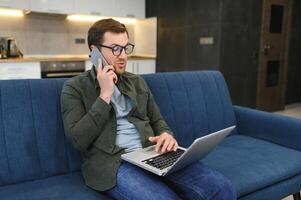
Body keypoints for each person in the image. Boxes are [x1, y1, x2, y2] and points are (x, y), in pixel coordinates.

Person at [61, 18, 236, 200]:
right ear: (94, 50)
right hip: (114, 164)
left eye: (125, 47)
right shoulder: (74, 88)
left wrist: (166, 135)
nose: (123, 56)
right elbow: (77, 140)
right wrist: (105, 95)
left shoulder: (136, 82)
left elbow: (158, 121)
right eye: (115, 49)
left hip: (151, 153)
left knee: (222, 187)